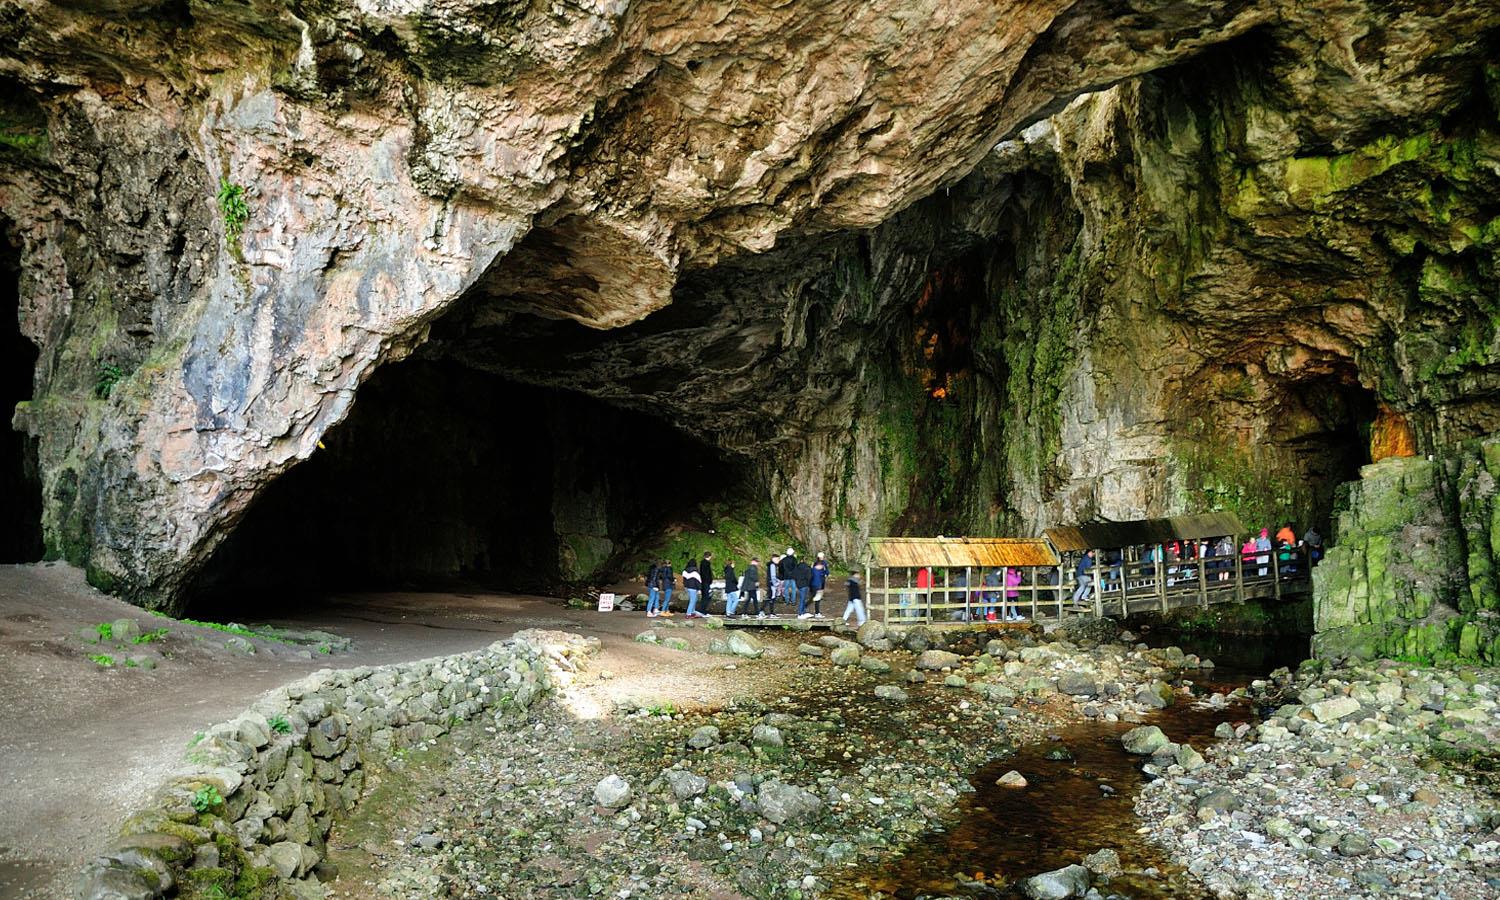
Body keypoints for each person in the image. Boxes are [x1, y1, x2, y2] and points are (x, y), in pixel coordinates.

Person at [810, 552, 830, 617]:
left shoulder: (814, 563)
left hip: (815, 582)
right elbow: (826, 571)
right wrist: (826, 574)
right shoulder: (823, 563)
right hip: (820, 580)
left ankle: (816, 610)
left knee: (816, 595)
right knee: (818, 594)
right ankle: (817, 612)